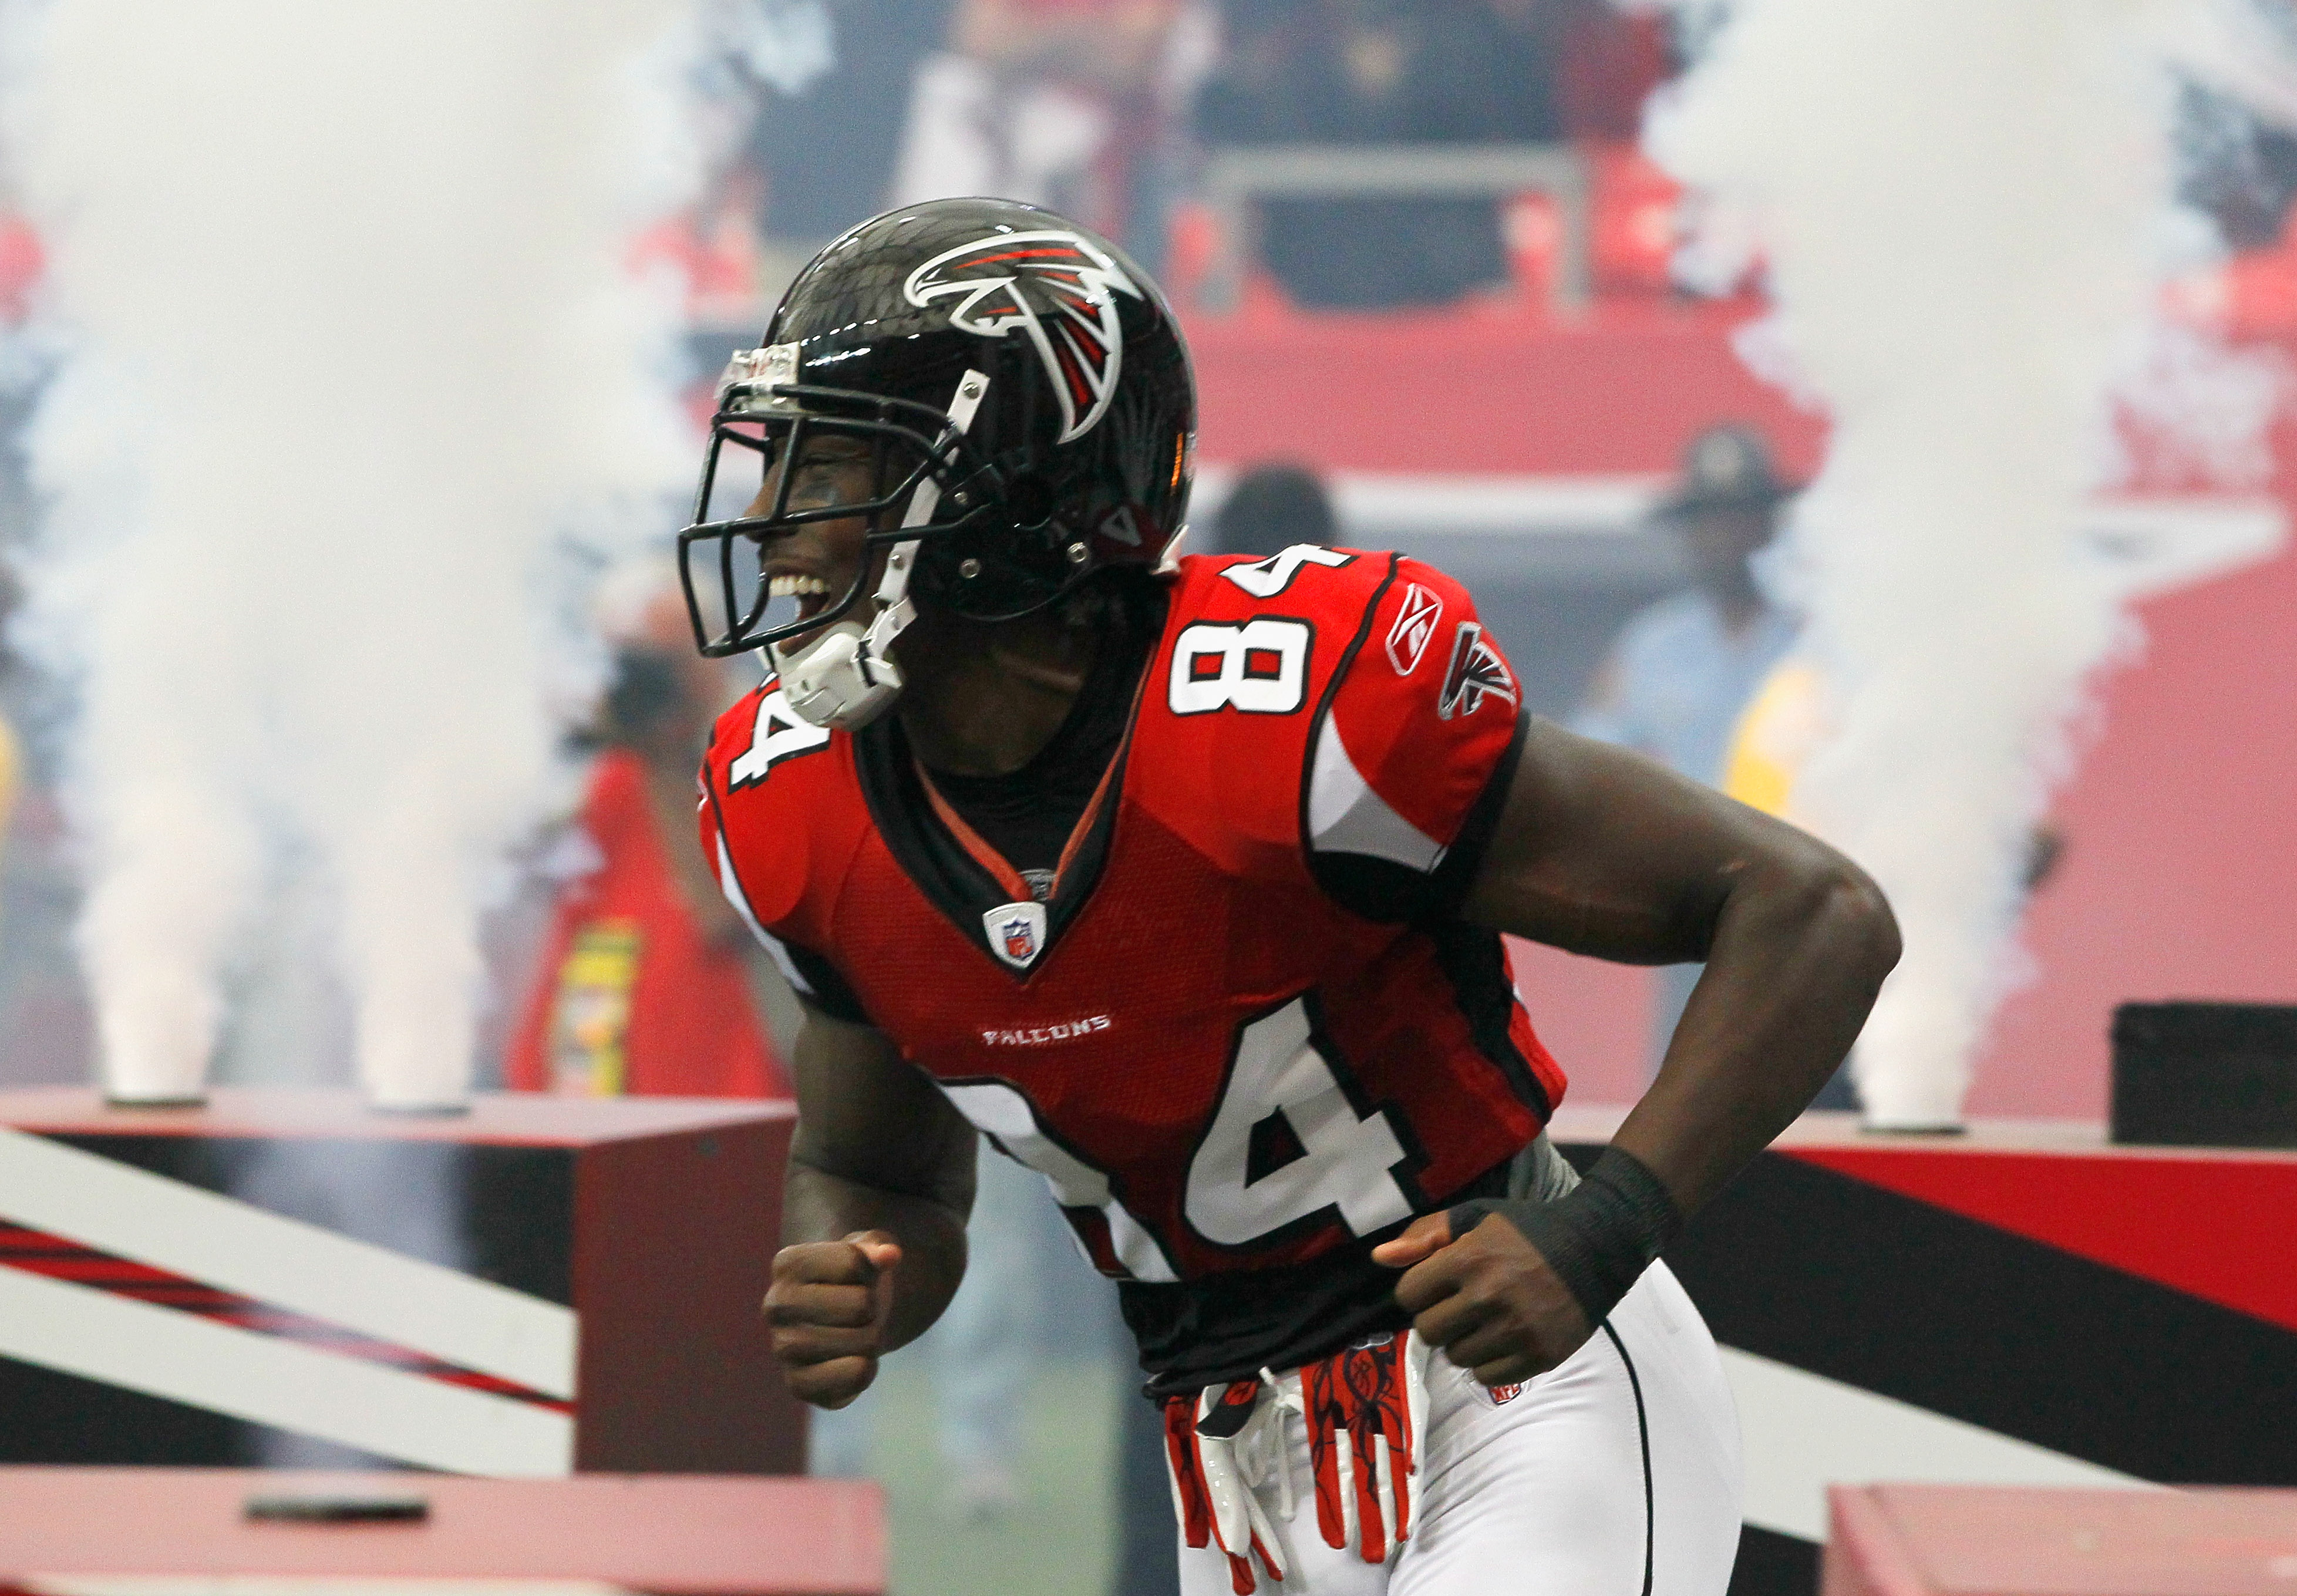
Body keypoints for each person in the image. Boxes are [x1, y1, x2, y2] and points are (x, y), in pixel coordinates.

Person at [686, 197, 1898, 1593]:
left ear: (1005, 486)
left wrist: (1599, 1225)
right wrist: (859, 1273)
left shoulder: (1293, 710)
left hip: (1502, 1393)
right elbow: (874, 1171)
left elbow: (1810, 910)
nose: (782, 525)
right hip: (1230, 1451)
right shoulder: (789, 800)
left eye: (837, 467)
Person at [1575, 423, 1802, 1076]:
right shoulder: (1653, 645)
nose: (1727, 536)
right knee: (1693, 1092)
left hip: (1810, 901)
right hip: (1700, 910)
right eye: (1710, 519)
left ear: (1770, 525)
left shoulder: (1821, 637)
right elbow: (1592, 765)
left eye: (1742, 516)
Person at [505, 588, 790, 1099]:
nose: (638, 686)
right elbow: (510, 853)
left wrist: (666, 757)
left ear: (712, 655)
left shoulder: (763, 749)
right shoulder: (608, 770)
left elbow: (726, 919)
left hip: (725, 1085)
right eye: (622, 663)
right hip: (598, 1064)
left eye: (660, 665)